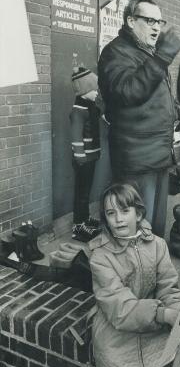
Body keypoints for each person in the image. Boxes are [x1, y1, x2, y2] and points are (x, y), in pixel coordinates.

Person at [98, 0, 180, 238]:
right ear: (130, 21)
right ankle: (133, 274)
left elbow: (149, 91)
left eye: (160, 21)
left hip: (158, 152)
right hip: (137, 158)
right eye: (149, 20)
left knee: (155, 228)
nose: (157, 26)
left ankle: (151, 270)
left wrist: (173, 108)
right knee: (137, 227)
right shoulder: (115, 52)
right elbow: (127, 92)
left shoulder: (146, 53)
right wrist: (162, 58)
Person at [89, 183, 180, 367]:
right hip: (119, 348)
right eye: (111, 213)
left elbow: (169, 288)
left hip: (156, 341)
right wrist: (165, 315)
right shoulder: (100, 257)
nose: (118, 218)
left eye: (124, 210)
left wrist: (179, 317)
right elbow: (121, 309)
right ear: (106, 219)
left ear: (138, 214)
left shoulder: (157, 245)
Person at [70, 67, 102, 242]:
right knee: (81, 192)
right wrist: (80, 158)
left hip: (91, 157)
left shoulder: (90, 107)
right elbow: (75, 137)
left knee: (86, 190)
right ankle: (78, 226)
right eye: (94, 90)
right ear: (84, 91)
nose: (97, 93)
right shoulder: (78, 111)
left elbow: (99, 115)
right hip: (83, 159)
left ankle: (85, 218)